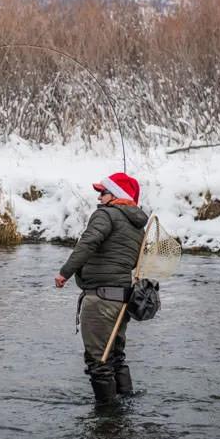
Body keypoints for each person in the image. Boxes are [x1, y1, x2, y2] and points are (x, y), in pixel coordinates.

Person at [54, 172, 148, 404]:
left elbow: (87, 243)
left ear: (116, 195)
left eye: (103, 192)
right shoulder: (138, 226)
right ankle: (126, 406)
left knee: (98, 361)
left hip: (101, 299)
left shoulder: (105, 215)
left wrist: (64, 273)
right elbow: (136, 262)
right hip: (123, 300)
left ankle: (106, 420)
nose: (99, 197)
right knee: (115, 357)